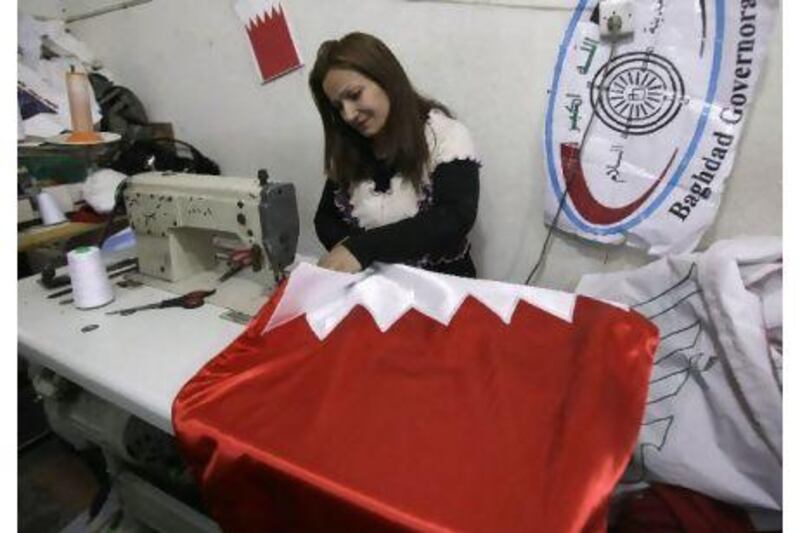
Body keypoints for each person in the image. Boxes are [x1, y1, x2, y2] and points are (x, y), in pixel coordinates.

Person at [309, 32, 481, 278]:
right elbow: (325, 218)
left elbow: (454, 217)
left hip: (444, 292)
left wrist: (362, 248)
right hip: (378, 289)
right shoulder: (350, 148)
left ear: (386, 79)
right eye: (338, 107)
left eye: (355, 95)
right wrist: (348, 253)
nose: (348, 114)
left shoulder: (446, 136)